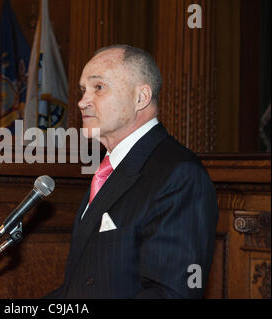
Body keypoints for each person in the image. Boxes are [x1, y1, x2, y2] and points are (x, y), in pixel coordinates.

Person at [46, 45, 219, 298]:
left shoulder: (180, 175)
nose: (82, 101)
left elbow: (170, 294)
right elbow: (81, 285)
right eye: (83, 90)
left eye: (99, 87)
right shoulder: (108, 169)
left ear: (141, 97)